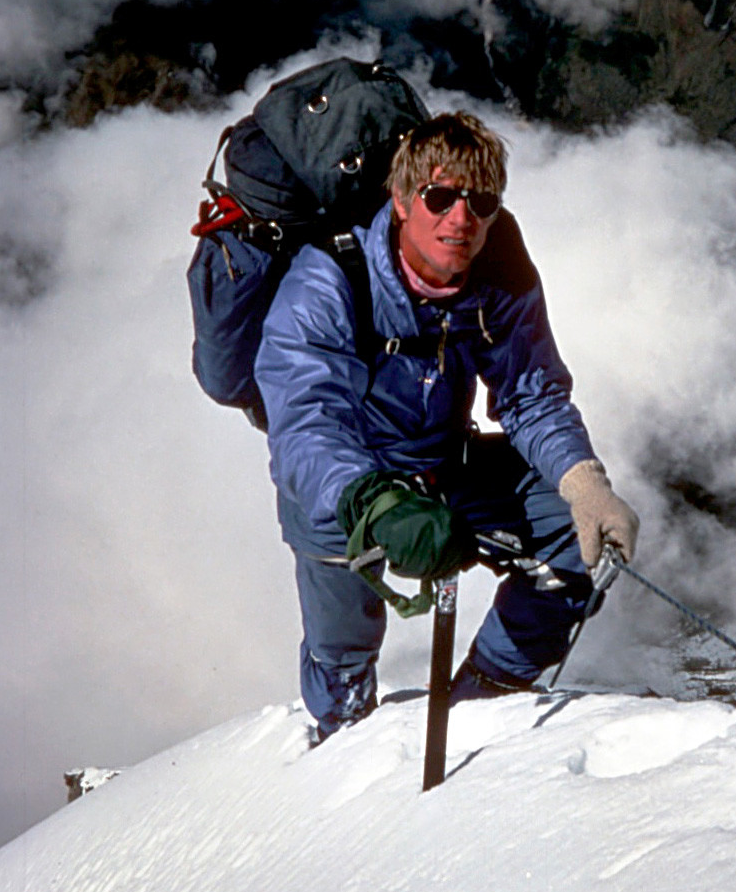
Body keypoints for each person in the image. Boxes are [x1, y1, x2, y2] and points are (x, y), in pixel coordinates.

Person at [255, 111, 638, 742]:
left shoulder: (499, 270)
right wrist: (375, 502)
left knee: (572, 540)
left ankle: (481, 706)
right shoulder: (329, 278)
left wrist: (582, 480)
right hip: (343, 492)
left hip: (444, 468)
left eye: (480, 201)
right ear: (402, 200)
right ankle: (338, 747)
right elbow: (306, 420)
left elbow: (530, 392)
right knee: (342, 653)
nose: (460, 218)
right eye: (439, 196)